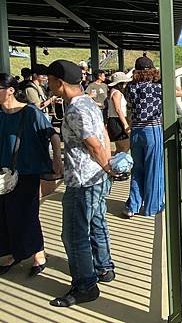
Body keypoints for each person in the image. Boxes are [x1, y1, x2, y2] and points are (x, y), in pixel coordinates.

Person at [46, 60, 116, 307]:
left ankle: (85, 286)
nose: (48, 84)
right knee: (97, 222)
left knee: (74, 235)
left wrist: (107, 166)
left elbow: (93, 144)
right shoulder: (89, 102)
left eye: (50, 80)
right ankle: (104, 267)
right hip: (97, 177)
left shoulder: (75, 110)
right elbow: (104, 134)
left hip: (82, 181)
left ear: (60, 83)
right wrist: (107, 169)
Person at [0, 73, 62, 277]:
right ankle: (11, 253)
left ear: (10, 90)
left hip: (27, 171)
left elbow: (52, 134)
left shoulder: (31, 113)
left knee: (27, 213)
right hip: (3, 174)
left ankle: (38, 253)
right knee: (4, 214)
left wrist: (57, 160)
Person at [123, 56, 164, 217]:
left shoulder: (130, 87)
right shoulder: (157, 86)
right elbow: (179, 92)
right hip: (152, 129)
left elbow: (130, 107)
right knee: (154, 169)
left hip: (136, 131)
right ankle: (152, 207)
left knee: (137, 169)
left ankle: (132, 206)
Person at [107, 72, 131, 154]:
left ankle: (115, 165)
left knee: (120, 148)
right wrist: (125, 124)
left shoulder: (113, 91)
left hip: (115, 120)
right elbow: (118, 109)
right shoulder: (117, 93)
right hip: (117, 120)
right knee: (125, 146)